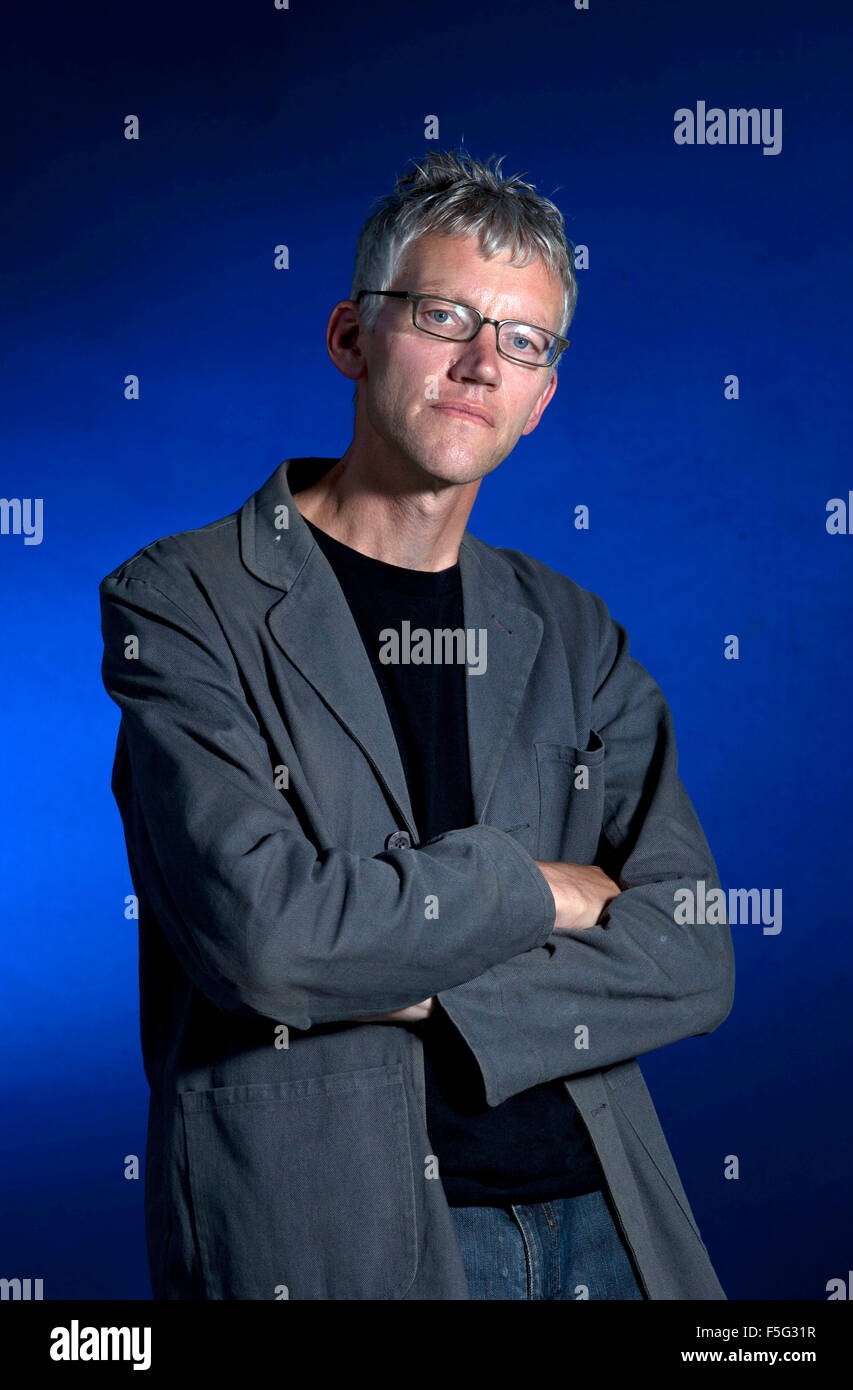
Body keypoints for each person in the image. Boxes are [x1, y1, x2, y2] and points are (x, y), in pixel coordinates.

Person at [99, 148, 735, 1301]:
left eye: (522, 340)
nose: (481, 362)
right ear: (350, 337)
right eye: (443, 314)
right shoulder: (180, 600)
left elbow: (693, 953)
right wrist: (540, 893)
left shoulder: (572, 630)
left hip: (606, 1214)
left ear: (542, 399)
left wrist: (399, 964)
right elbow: (267, 942)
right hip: (335, 1228)